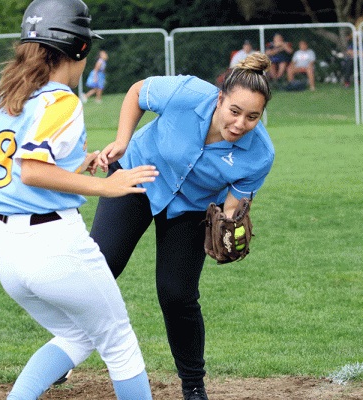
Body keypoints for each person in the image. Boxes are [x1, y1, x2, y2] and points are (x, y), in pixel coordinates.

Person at [0, 1, 158, 399]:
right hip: (53, 242)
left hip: (7, 249)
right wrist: (107, 186)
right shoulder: (63, 100)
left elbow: (20, 171)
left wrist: (78, 165)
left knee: (77, 334)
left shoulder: (5, 100)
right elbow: (33, 170)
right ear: (78, 50)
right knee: (119, 342)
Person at [89, 52, 275, 400]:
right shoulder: (187, 93)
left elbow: (233, 206)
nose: (240, 125)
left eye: (253, 117)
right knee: (99, 267)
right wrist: (123, 140)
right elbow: (137, 92)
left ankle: (193, 388)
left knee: (177, 294)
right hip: (138, 176)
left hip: (192, 208)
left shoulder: (260, 153)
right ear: (220, 99)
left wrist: (230, 228)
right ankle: (65, 349)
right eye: (234, 111)